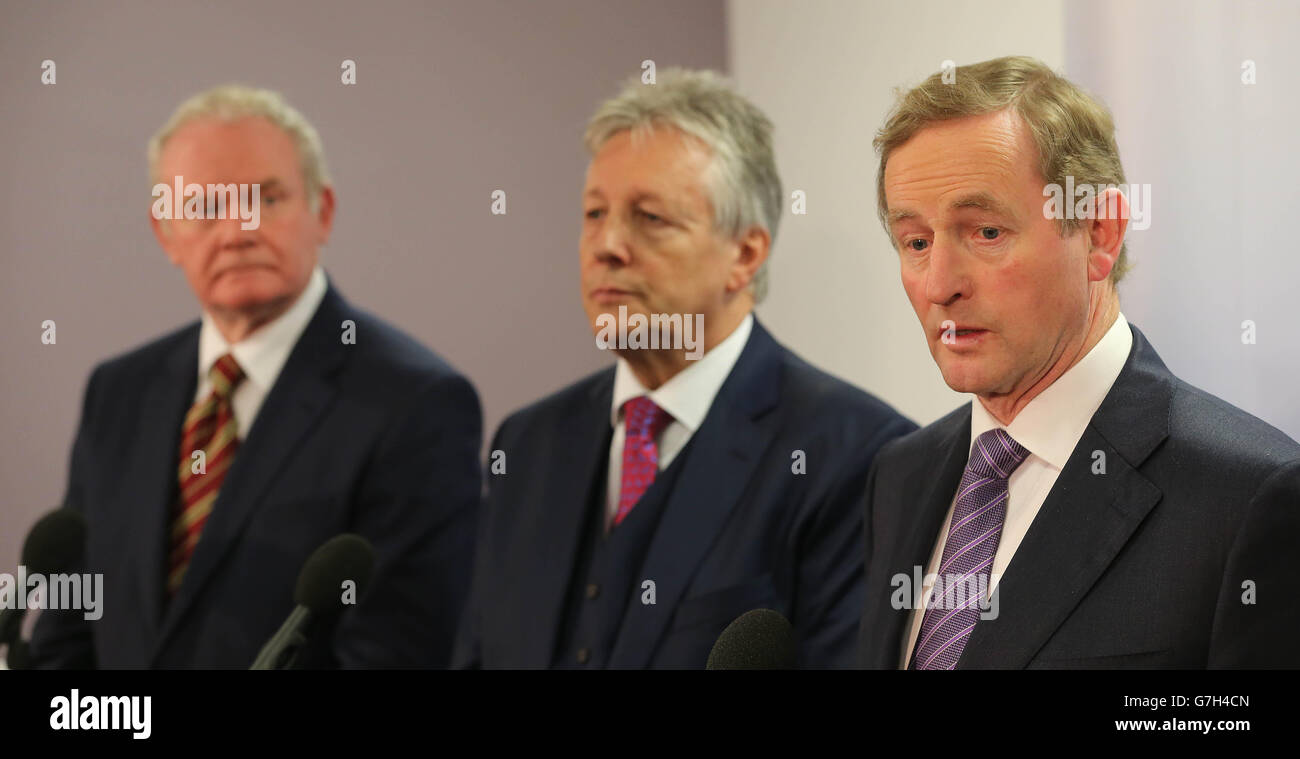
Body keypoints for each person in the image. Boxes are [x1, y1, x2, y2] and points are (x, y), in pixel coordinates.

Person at [455, 69, 915, 669]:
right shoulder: (529, 442)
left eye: (650, 218)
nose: (606, 245)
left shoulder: (857, 457)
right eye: (594, 214)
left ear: (744, 255)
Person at [858, 56, 1300, 669]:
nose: (939, 285)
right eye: (916, 242)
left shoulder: (1251, 493)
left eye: (985, 232)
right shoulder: (899, 476)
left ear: (1099, 233)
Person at [30, 85, 481, 668]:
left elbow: (394, 656)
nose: (237, 231)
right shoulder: (118, 392)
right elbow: (67, 638)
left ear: (323, 211)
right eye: (204, 207)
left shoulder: (416, 405)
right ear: (165, 232)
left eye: (266, 199)